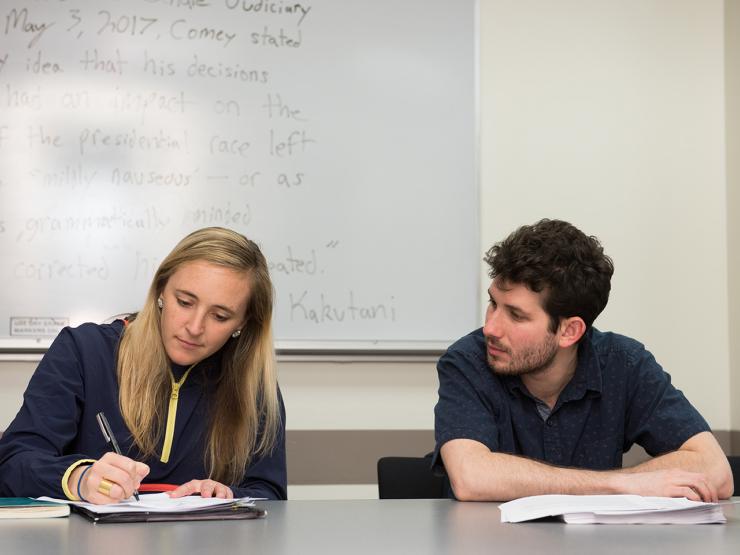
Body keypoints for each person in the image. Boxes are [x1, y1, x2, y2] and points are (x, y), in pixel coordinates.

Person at [434, 219, 733, 502]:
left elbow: (715, 471)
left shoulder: (624, 365)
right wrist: (620, 484)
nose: (490, 328)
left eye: (516, 315)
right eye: (493, 303)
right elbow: (471, 477)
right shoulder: (467, 362)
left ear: (570, 331)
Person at [0, 227, 286, 503]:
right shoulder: (83, 351)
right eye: (185, 302)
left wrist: (228, 496)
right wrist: (79, 478)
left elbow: (270, 494)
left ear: (243, 324)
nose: (195, 327)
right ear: (161, 290)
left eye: (220, 316)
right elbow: (13, 465)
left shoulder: (253, 385)